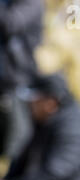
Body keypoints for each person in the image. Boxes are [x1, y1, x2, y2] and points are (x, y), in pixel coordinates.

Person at [0, 0, 44, 159]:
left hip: (16, 83)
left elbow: (10, 23)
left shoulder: (31, 3)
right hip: (8, 81)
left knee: (16, 140)